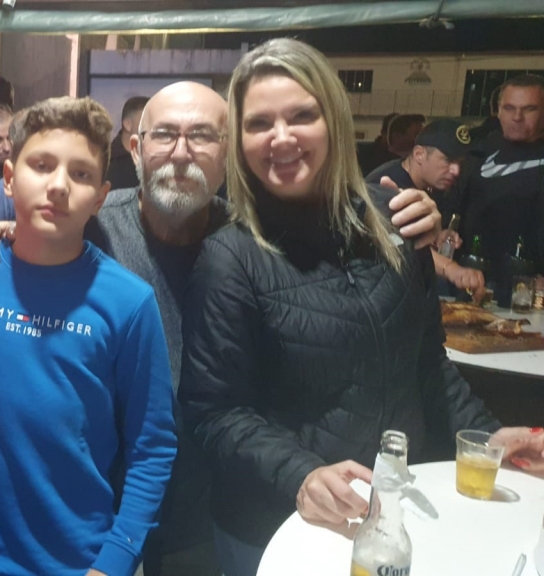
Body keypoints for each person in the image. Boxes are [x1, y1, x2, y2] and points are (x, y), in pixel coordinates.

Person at [0, 84, 442, 576]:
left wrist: (397, 218)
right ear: (135, 148)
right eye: (165, 134)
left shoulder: (257, 243)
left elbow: (352, 280)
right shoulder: (92, 224)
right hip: (96, 511)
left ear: (228, 155)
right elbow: (38, 239)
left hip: (228, 507)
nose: (181, 152)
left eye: (203, 136)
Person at [178, 38, 544, 576]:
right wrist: (301, 474)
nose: (281, 136)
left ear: (333, 120)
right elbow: (215, 412)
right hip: (281, 526)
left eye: (301, 116)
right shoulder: (230, 256)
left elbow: (426, 363)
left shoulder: (398, 219)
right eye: (259, 123)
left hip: (395, 508)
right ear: (240, 140)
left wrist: (485, 438)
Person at [0, 95, 177, 576]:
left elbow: (152, 446)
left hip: (76, 561)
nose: (59, 185)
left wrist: (116, 560)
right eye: (42, 165)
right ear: (9, 178)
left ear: (101, 197)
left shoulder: (129, 303)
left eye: (81, 173)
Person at [366, 119, 485, 299]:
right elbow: (398, 245)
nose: (456, 170)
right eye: (448, 160)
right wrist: (451, 269)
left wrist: (437, 236)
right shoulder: (387, 185)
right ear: (419, 154)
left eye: (460, 163)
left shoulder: (428, 185)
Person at [452, 74, 544, 281]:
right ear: (498, 111)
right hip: (472, 277)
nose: (517, 117)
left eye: (529, 109)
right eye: (509, 108)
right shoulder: (476, 152)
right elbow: (453, 206)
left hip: (529, 284)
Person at [107, 95, 149, 190]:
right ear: (128, 124)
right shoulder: (105, 161)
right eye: (145, 120)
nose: (151, 126)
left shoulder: (155, 160)